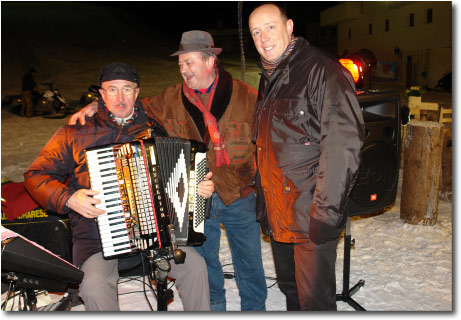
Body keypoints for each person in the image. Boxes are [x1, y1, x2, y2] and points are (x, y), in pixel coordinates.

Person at [69, 31, 267, 311]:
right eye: (181, 65)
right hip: (199, 196)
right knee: (206, 263)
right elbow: (130, 105)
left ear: (210, 61)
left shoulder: (247, 96)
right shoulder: (171, 98)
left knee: (250, 263)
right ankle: (216, 310)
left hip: (240, 192)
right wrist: (97, 104)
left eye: (189, 62)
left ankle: (256, 310)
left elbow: (266, 142)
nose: (184, 70)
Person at [24, 62, 214, 311]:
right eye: (112, 90)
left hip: (155, 236)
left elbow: (178, 188)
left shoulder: (154, 131)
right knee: (93, 286)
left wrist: (199, 192)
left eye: (127, 89)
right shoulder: (74, 133)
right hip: (97, 237)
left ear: (137, 93)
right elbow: (35, 175)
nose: (120, 97)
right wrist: (69, 198)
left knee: (196, 267)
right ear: (101, 94)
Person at [248, 3, 365, 311]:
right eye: (256, 32)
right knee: (291, 292)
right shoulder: (269, 77)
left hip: (311, 217)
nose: (263, 38)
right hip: (279, 215)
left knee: (314, 302)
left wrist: (325, 214)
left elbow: (342, 146)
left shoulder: (322, 70)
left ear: (289, 27)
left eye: (270, 27)